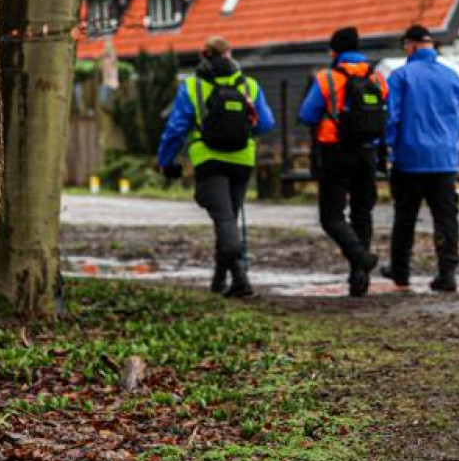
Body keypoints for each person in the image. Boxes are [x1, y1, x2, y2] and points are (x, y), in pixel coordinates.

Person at [157, 36, 275, 298]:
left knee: (224, 220)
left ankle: (241, 281)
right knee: (228, 219)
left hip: (209, 160)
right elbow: (266, 124)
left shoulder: (192, 86)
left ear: (204, 56)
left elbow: (176, 128)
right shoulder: (250, 85)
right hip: (242, 159)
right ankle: (220, 280)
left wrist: (165, 160)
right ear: (229, 54)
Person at [381, 25, 459, 292]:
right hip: (444, 160)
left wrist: (386, 145)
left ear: (409, 45)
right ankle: (447, 273)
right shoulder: (452, 77)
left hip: (409, 160)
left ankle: (401, 271)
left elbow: (391, 117)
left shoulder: (400, 77)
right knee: (446, 217)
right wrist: (447, 141)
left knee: (405, 216)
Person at [299, 26, 389, 297]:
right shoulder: (378, 78)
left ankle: (360, 258)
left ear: (334, 51)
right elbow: (388, 115)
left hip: (336, 152)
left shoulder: (327, 78)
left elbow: (307, 114)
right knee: (362, 213)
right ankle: (359, 279)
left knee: (331, 216)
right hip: (368, 153)